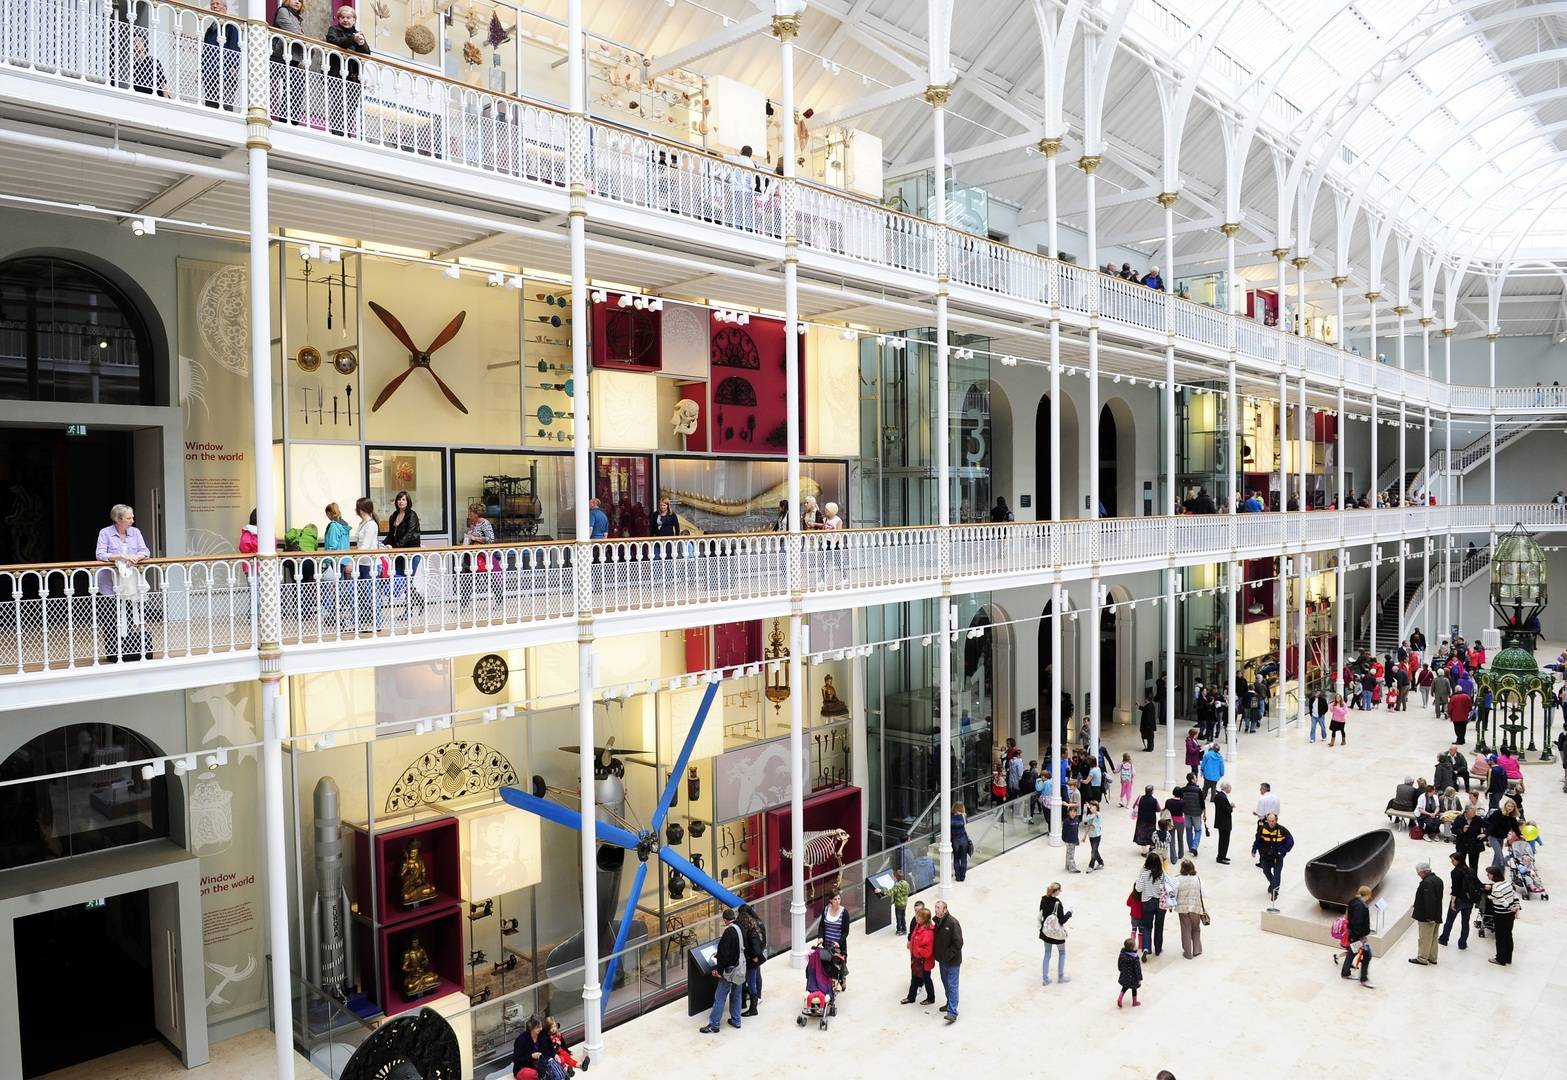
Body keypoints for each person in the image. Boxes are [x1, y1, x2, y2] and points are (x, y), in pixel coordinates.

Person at [698, 907, 745, 1033]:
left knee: (719, 997)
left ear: (725, 920)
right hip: (740, 968)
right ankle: (736, 1020)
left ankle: (714, 1025)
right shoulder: (740, 928)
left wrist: (719, 971)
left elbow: (724, 954)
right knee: (736, 994)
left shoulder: (728, 932)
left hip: (729, 971)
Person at [384, 490, 422, 609]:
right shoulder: (394, 515)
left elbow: (409, 534)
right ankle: (420, 601)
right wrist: (383, 544)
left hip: (411, 552)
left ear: (408, 501)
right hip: (398, 553)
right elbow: (391, 534)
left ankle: (408, 611)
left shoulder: (412, 515)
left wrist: (394, 546)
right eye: (399, 499)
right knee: (402, 581)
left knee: (407, 581)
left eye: (404, 499)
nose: (401, 501)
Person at [201, 0, 241, 110]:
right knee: (211, 107)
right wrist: (203, 70)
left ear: (225, 7)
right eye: (212, 4)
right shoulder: (210, 30)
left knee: (225, 107)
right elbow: (205, 52)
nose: (214, 6)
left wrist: (233, 67)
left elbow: (234, 47)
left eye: (217, 4)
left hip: (226, 74)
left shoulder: (231, 26)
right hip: (210, 75)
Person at [352, 496, 383, 632]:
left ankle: (378, 623)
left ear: (361, 509)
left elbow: (365, 546)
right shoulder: (362, 524)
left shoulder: (371, 525)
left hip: (371, 564)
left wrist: (353, 559)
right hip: (362, 563)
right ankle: (362, 622)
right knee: (362, 594)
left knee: (372, 594)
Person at [1439, 850, 1479, 951]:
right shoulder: (1471, 870)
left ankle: (1444, 939)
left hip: (1459, 900)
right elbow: (1477, 883)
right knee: (1465, 922)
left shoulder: (1455, 872)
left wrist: (1452, 902)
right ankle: (1462, 943)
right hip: (1469, 901)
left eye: (1453, 860)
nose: (1451, 862)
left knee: (1450, 920)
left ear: (1458, 861)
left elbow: (1455, 889)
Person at [931, 899, 963, 1023]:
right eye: (935, 907)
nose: (936, 910)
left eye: (939, 908)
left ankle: (952, 1012)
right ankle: (949, 1003)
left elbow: (959, 943)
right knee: (946, 984)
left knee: (952, 986)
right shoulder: (936, 922)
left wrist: (948, 955)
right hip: (942, 961)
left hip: (952, 962)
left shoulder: (953, 923)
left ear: (945, 910)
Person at [1483, 865, 1520, 966]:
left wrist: (1509, 907)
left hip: (1501, 915)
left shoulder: (1496, 887)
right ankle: (1508, 958)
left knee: (1500, 937)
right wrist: (1516, 906)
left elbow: (1500, 899)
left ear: (1494, 875)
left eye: (1489, 874)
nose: (1487, 875)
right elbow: (1514, 894)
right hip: (1510, 915)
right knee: (1508, 935)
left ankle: (1500, 959)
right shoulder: (1507, 883)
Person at [1339, 885, 1375, 989]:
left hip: (1353, 935)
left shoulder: (1352, 902)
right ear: (1367, 895)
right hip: (1358, 937)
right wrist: (1361, 937)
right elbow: (1357, 923)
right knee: (1367, 955)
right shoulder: (1362, 906)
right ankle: (1363, 979)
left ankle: (1345, 973)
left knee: (1351, 953)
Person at [1133, 851, 1167, 959]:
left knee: (1147, 926)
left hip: (1147, 902)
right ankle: (1158, 948)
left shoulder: (1144, 873)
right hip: (1160, 902)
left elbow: (1138, 888)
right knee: (1159, 926)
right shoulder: (1162, 873)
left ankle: (1147, 948)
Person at [1254, 812, 1293, 903]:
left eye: (1273, 821)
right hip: (1266, 857)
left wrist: (1282, 852)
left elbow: (1290, 841)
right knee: (1266, 871)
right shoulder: (1263, 829)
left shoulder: (1282, 830)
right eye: (1269, 821)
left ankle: (1275, 892)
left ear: (1276, 821)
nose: (1271, 823)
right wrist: (1254, 849)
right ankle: (1272, 884)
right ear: (1267, 821)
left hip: (1277, 858)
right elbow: (1258, 840)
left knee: (1277, 874)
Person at [1409, 861, 1443, 965]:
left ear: (1423, 872)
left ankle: (1422, 958)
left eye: (1418, 873)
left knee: (1425, 938)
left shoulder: (1427, 883)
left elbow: (1429, 900)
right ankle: (1432, 957)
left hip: (1427, 916)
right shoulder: (1438, 880)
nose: (1418, 875)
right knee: (1433, 938)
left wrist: (1429, 917)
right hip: (1437, 914)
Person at [901, 905, 936, 1004]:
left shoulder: (928, 932)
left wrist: (916, 951)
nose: (916, 917)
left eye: (918, 916)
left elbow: (927, 951)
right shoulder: (918, 926)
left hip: (923, 961)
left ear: (924, 919)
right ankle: (911, 997)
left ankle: (931, 998)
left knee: (926, 979)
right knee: (914, 978)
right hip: (916, 959)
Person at [1037, 881, 1071, 985]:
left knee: (1047, 954)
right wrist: (1069, 913)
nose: (1060, 892)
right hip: (1056, 934)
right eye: (1059, 890)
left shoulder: (1043, 899)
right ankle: (1061, 977)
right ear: (1055, 891)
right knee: (1062, 952)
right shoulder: (1057, 903)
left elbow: (1041, 913)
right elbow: (1062, 920)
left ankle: (1045, 979)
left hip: (1046, 932)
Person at [737, 902, 766, 1016]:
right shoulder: (758, 923)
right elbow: (763, 940)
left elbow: (753, 945)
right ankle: (755, 999)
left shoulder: (748, 928)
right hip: (755, 957)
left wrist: (753, 956)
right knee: (754, 979)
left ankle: (751, 1006)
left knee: (750, 981)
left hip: (751, 958)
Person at [1175, 858, 1206, 959]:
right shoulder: (1198, 878)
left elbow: (1174, 894)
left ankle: (1188, 953)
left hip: (1183, 909)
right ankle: (1197, 950)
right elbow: (1204, 893)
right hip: (1196, 907)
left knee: (1186, 930)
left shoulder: (1177, 879)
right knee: (1196, 929)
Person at [1486, 797, 1521, 871]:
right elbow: (1493, 825)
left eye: (1512, 806)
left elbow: (1515, 827)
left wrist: (1520, 836)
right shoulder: (1498, 813)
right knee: (1500, 857)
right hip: (1493, 837)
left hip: (1501, 838)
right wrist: (1486, 834)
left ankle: (1492, 871)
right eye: (1508, 806)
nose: (1510, 808)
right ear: (1505, 806)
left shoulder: (1512, 817)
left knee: (1497, 856)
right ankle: (1500, 873)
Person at [511, 1013, 550, 1079]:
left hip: (538, 1065)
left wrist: (554, 1055)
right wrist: (531, 1056)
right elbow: (516, 1060)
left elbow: (548, 1048)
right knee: (533, 1074)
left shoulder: (542, 1034)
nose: (541, 1029)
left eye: (541, 1026)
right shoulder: (521, 1040)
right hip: (522, 1068)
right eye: (538, 1027)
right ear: (531, 1027)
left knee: (554, 1064)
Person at [818, 889, 849, 960]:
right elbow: (821, 925)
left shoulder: (844, 912)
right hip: (826, 946)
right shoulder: (826, 909)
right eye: (835, 899)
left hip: (838, 948)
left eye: (839, 899)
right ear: (830, 900)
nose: (838, 901)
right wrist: (820, 937)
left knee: (838, 969)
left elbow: (846, 932)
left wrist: (839, 942)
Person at [1179, 774, 1204, 857]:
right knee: (1198, 830)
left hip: (1186, 812)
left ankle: (1190, 847)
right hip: (1196, 813)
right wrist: (1204, 813)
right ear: (1193, 780)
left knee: (1188, 830)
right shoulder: (1198, 790)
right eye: (1195, 777)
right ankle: (1194, 846)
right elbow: (1202, 803)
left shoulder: (1183, 790)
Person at [1116, 937, 1143, 1008]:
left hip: (1125, 975)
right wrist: (1139, 979)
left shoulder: (1122, 954)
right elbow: (1137, 969)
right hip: (1133, 977)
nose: (1136, 946)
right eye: (1135, 946)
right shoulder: (1135, 958)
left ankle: (1120, 998)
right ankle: (1134, 1002)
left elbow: (1119, 963)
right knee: (1134, 989)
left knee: (1125, 987)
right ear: (1132, 948)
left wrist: (1121, 970)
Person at [882, 868, 910, 935]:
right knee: (903, 916)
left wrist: (881, 890)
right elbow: (908, 890)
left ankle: (899, 930)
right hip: (904, 903)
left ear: (896, 877)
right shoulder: (906, 883)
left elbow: (889, 893)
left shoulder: (897, 885)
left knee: (898, 918)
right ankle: (904, 929)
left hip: (898, 904)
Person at [1211, 782, 1234, 864]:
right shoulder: (1223, 797)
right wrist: (1231, 807)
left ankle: (1222, 856)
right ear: (1226, 788)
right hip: (1224, 822)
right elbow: (1227, 810)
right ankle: (1221, 857)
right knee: (1224, 840)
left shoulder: (1218, 796)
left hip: (1220, 821)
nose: (1231, 789)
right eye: (1230, 787)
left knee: (1223, 840)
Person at [1133, 785, 1160, 850]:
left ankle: (1144, 851)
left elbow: (1134, 806)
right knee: (1151, 834)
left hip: (1141, 820)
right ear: (1152, 792)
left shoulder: (1140, 798)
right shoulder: (1154, 800)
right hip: (1151, 821)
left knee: (1142, 834)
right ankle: (1152, 847)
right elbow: (1158, 809)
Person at [950, 802, 971, 882]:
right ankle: (963, 876)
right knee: (963, 858)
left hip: (955, 839)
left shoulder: (951, 817)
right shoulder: (964, 816)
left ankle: (957, 877)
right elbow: (966, 824)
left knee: (956, 858)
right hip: (964, 839)